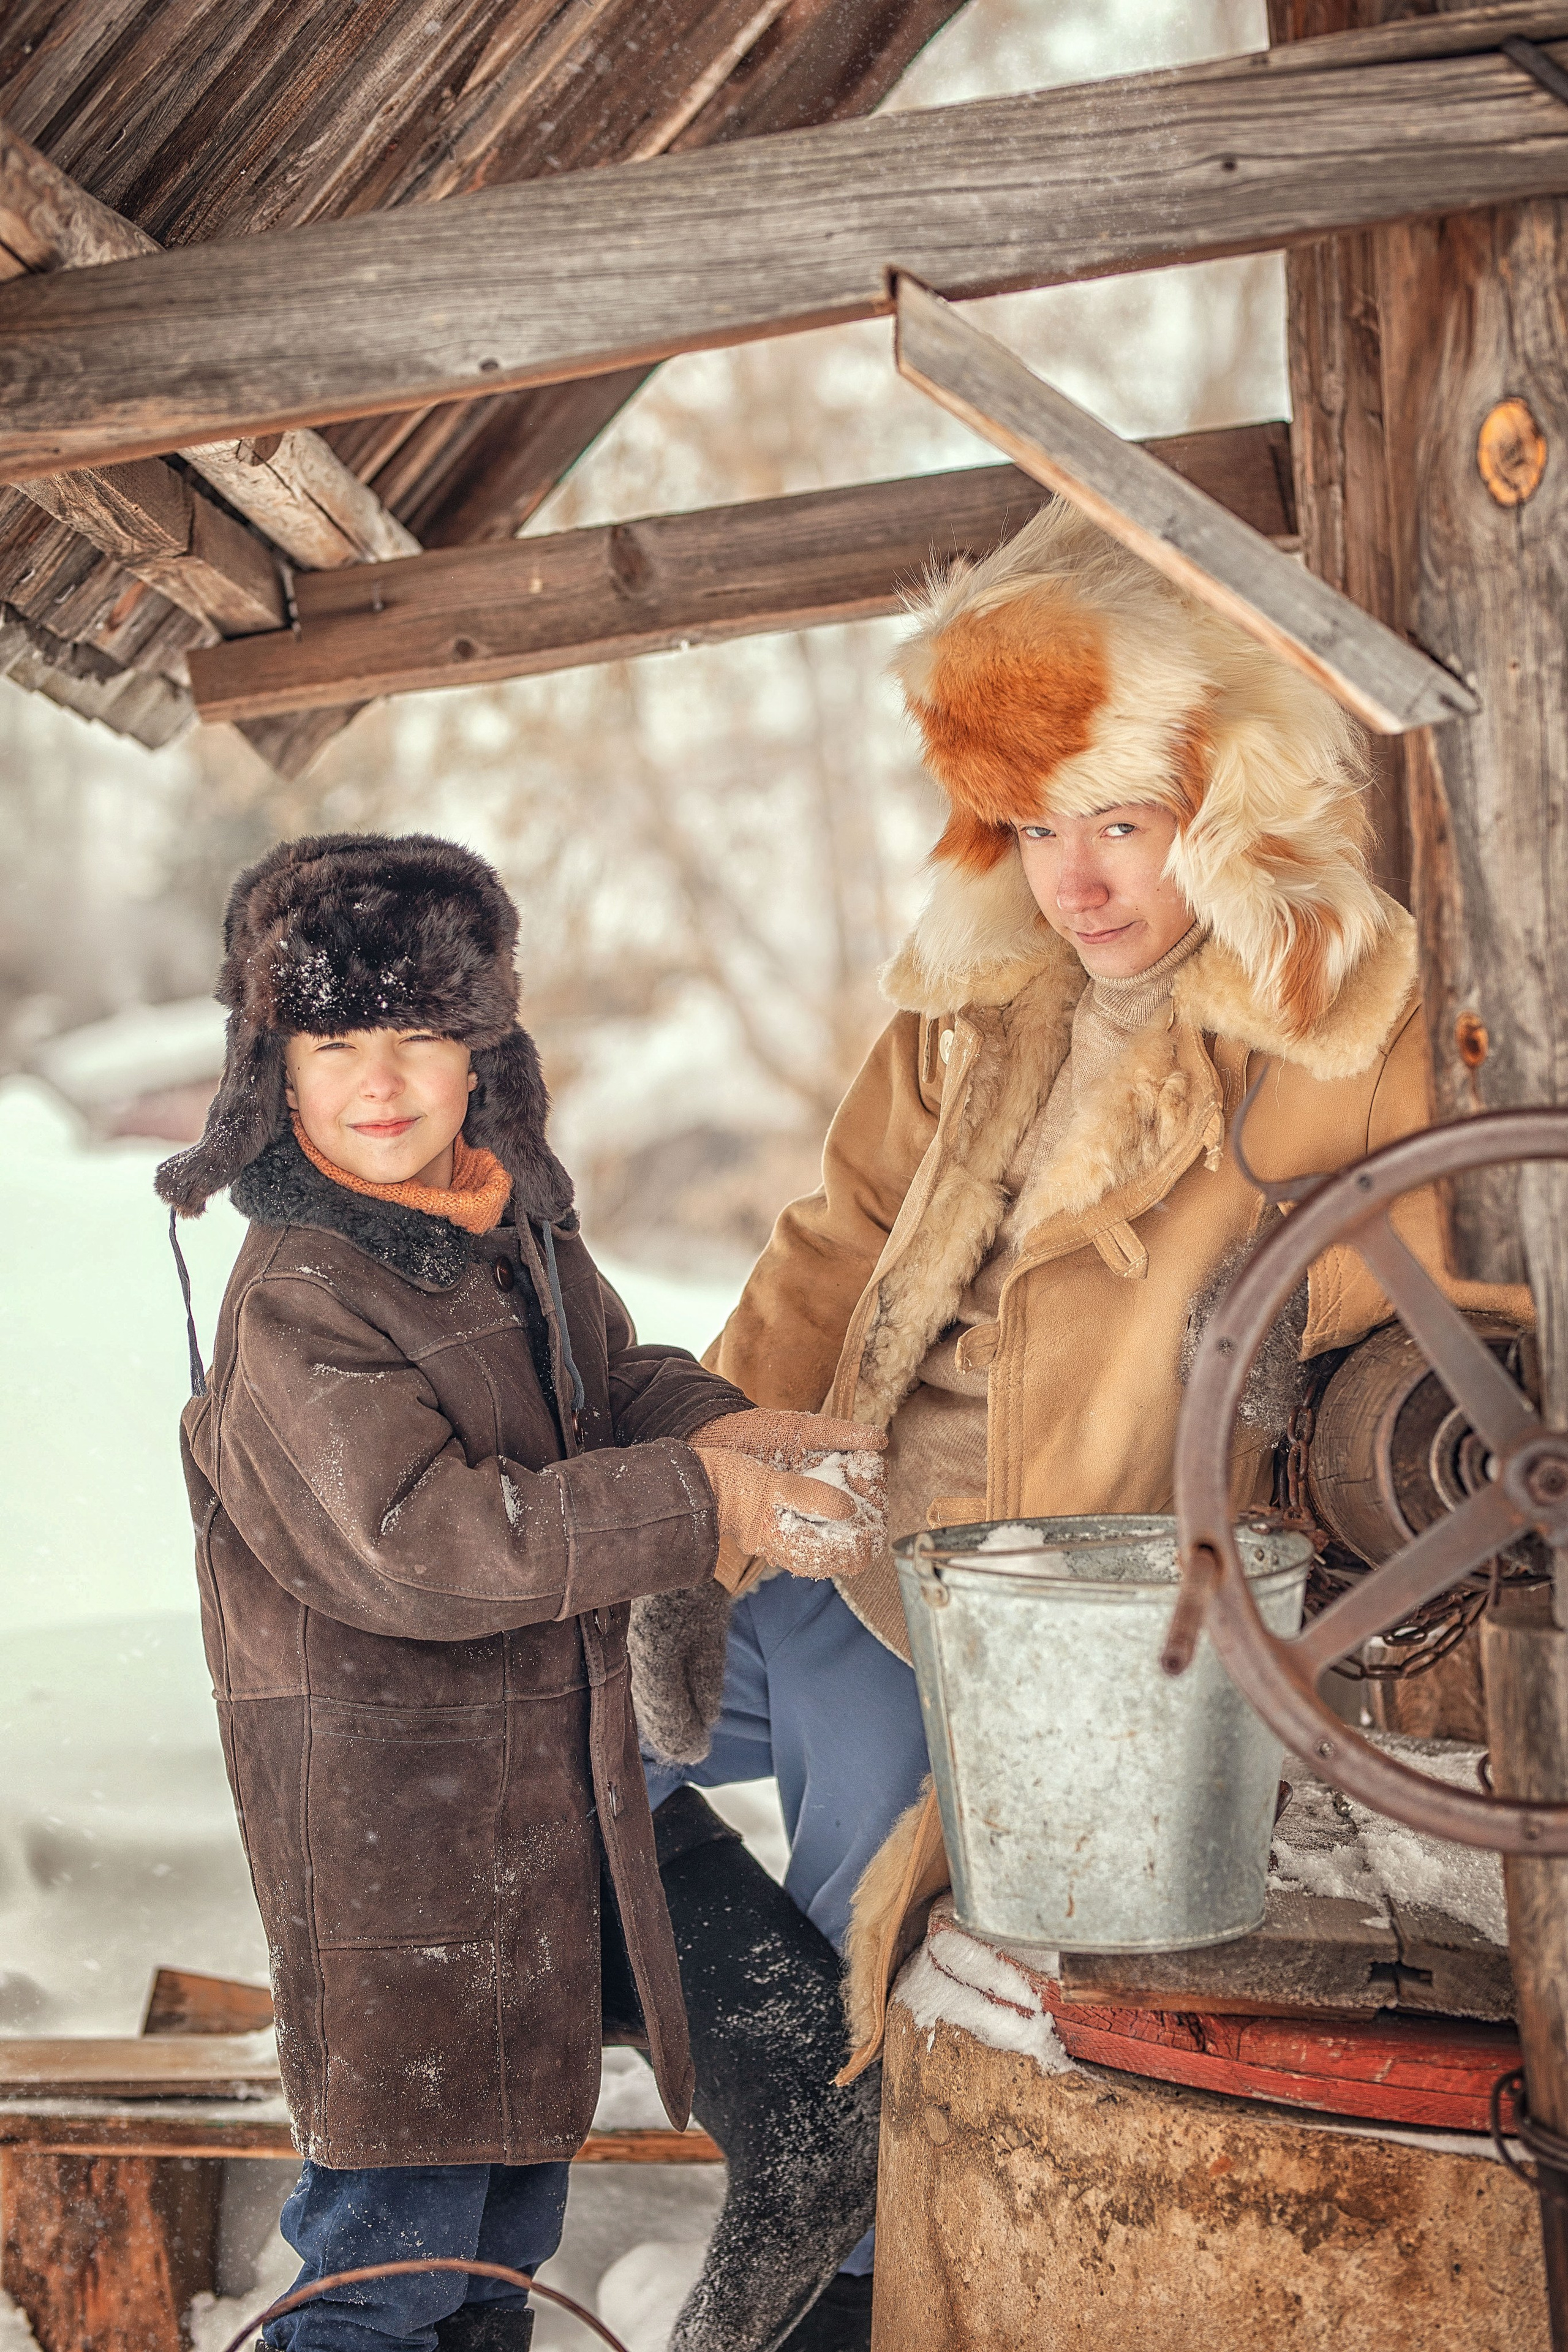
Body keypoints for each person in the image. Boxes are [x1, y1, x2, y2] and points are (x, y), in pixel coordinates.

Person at [633, 500, 1526, 2352]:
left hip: (1017, 1602)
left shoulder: (1326, 1020)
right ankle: (787, 2097)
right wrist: (706, 1485)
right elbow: (837, 1239)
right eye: (1039, 832)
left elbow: (1430, 1276)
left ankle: (846, 2263)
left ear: (1227, 798)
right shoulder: (975, 1003)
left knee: (876, 1900)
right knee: (529, 1731)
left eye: (1120, 824)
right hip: (835, 1509)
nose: (1077, 881)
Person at [154, 834, 887, 2352]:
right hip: (399, 1845)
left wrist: (720, 1430)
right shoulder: (302, 1296)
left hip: (549, 1807)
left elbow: (611, 1382)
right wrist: (705, 1506)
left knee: (502, 2242)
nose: (381, 1079)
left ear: (482, 1045)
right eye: (334, 1039)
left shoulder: (506, 1233)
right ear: (269, 1068)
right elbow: (428, 1545)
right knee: (390, 2265)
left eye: (421, 1034)